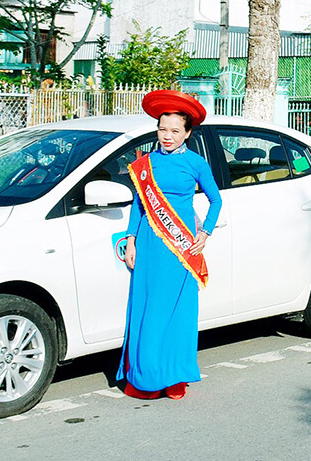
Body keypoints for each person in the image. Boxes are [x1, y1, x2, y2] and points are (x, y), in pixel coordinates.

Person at [118, 90, 223, 400]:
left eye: (175, 130)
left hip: (181, 248)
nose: (167, 136)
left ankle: (176, 376)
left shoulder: (196, 163)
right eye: (163, 129)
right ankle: (146, 378)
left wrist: (206, 233)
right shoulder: (145, 164)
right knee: (148, 310)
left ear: (187, 133)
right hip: (150, 245)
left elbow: (216, 199)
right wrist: (131, 238)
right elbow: (139, 203)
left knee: (177, 312)